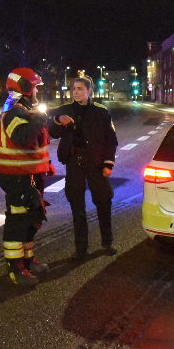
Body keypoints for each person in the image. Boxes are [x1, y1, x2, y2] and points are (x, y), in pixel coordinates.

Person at [48, 76, 118, 261]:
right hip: (74, 162)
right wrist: (57, 120)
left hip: (96, 163)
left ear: (89, 91)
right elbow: (52, 132)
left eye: (80, 88)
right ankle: (81, 249)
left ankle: (107, 243)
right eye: (74, 89)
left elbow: (111, 140)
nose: (76, 92)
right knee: (77, 206)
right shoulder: (64, 110)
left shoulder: (101, 112)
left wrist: (108, 163)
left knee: (103, 201)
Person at [0, 68, 55, 286]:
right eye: (36, 87)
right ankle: (15, 268)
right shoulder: (14, 112)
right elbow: (22, 138)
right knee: (18, 222)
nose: (38, 92)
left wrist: (45, 163)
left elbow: (35, 144)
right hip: (17, 177)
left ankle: (28, 260)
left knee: (32, 220)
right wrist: (39, 119)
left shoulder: (26, 111)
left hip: (31, 175)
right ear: (25, 88)